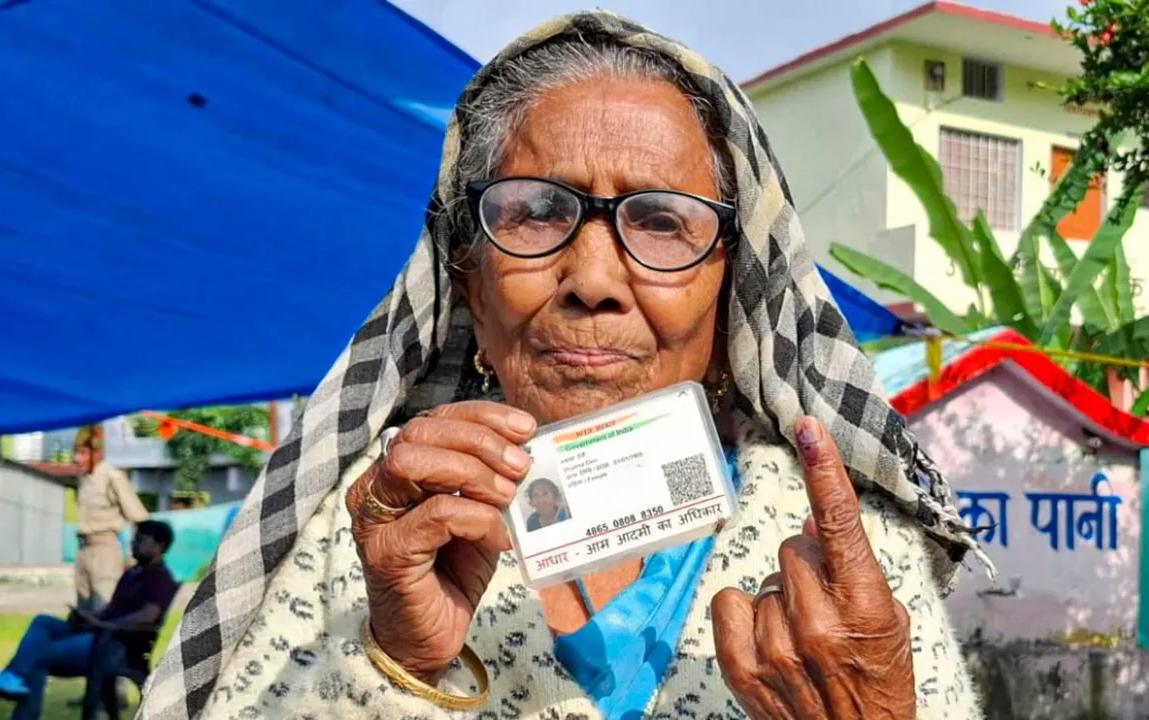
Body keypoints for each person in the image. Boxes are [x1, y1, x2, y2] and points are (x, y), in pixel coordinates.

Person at [142, 12, 993, 720]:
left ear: (732, 289)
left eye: (662, 222)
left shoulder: (852, 562)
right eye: (535, 213)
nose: (591, 280)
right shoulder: (350, 527)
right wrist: (398, 658)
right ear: (467, 281)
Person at [0, 520, 178, 720]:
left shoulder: (159, 577)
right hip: (98, 632)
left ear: (159, 546)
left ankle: (19, 697)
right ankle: (13, 677)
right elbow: (112, 610)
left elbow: (149, 615)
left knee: (38, 657)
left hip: (114, 645)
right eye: (135, 539)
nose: (134, 544)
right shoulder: (132, 573)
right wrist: (90, 617)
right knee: (43, 622)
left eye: (141, 540)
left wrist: (105, 625)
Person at [73, 425, 150, 611]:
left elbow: (139, 517)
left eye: (83, 452)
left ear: (97, 452)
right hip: (84, 550)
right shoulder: (84, 480)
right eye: (76, 452)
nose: (77, 458)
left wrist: (134, 558)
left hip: (105, 552)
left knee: (103, 610)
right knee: (82, 615)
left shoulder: (113, 477)